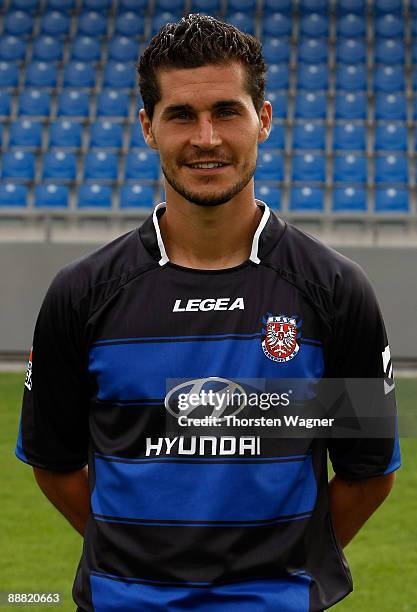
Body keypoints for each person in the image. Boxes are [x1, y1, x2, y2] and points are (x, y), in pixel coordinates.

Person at [16, 14, 400, 612]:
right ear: (148, 128)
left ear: (263, 121)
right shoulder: (82, 294)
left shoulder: (334, 289)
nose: (206, 138)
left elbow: (368, 472)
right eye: (180, 116)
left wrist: (274, 572)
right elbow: (55, 464)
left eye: (226, 111)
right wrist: (135, 559)